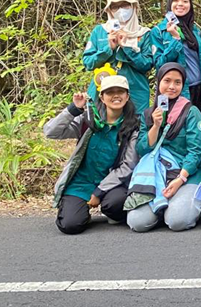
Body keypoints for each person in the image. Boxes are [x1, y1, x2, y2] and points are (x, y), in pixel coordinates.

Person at [44, 75, 139, 235]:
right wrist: (73, 109)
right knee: (69, 225)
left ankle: (111, 212)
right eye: (110, 92)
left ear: (127, 96)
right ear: (101, 97)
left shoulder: (133, 127)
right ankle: (80, 211)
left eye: (120, 91)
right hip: (81, 183)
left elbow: (127, 166)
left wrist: (99, 192)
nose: (116, 95)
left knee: (115, 203)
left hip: (111, 184)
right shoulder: (87, 121)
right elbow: (51, 132)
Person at [126, 63, 201, 232]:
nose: (172, 86)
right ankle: (163, 208)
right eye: (167, 81)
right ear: (158, 83)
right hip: (156, 176)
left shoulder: (191, 112)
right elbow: (142, 150)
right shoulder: (148, 114)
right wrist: (155, 126)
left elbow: (195, 151)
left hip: (185, 176)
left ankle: (180, 204)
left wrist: (180, 179)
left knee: (177, 221)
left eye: (177, 82)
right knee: (137, 222)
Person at [82, 0, 153, 113]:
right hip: (103, 93)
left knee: (135, 130)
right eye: (115, 6)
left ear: (133, 7)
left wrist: (128, 48)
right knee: (99, 127)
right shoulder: (100, 32)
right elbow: (88, 62)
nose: (121, 10)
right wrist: (108, 48)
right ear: (109, 10)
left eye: (125, 5)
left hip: (135, 94)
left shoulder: (143, 34)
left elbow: (147, 65)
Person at [150, 0, 201, 116]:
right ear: (169, 3)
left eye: (185, 1)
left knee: (200, 129)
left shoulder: (195, 30)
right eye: (176, 1)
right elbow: (159, 64)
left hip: (200, 90)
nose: (180, 4)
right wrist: (175, 40)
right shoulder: (159, 31)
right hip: (177, 90)